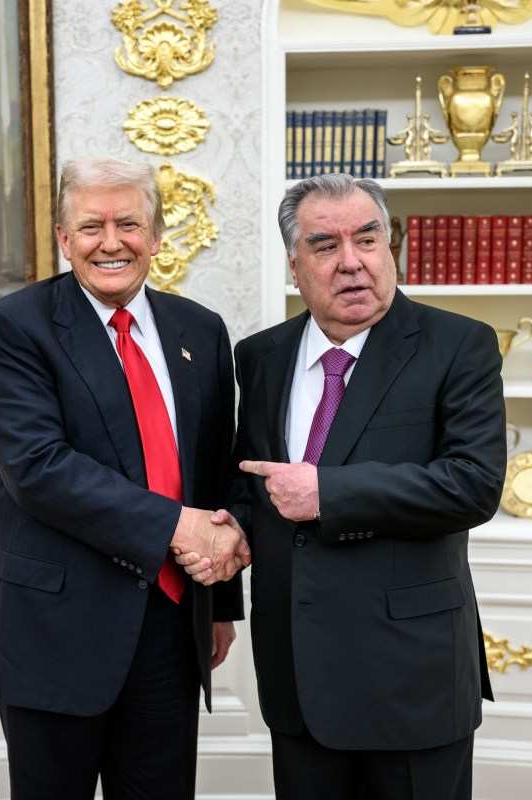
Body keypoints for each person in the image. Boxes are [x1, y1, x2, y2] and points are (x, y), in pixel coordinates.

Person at [183, 173, 505, 800]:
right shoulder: (259, 357)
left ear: (392, 246)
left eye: (368, 239)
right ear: (295, 264)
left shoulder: (459, 345)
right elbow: (253, 482)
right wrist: (228, 534)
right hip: (297, 674)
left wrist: (329, 493)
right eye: (325, 245)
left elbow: (473, 485)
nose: (352, 262)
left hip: (410, 677)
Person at [0, 157, 250, 799]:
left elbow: (211, 468)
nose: (111, 242)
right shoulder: (17, 327)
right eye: (91, 226)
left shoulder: (200, 331)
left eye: (129, 223)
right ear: (65, 240)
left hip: (173, 622)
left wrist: (220, 604)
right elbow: (38, 468)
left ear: (155, 234)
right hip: (55, 625)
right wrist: (179, 526)